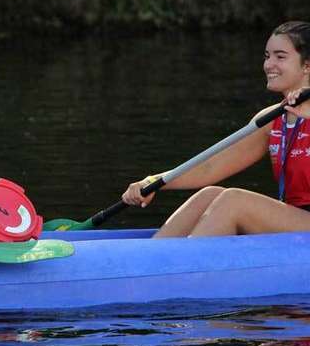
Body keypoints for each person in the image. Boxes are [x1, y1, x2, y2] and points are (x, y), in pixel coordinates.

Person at [122, 21, 310, 237]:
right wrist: (154, 181)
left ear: (307, 65)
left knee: (234, 201)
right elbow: (209, 167)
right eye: (267, 56)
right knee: (209, 195)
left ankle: (182, 265)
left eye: (280, 56)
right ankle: (150, 261)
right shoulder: (270, 120)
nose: (269, 65)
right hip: (294, 217)